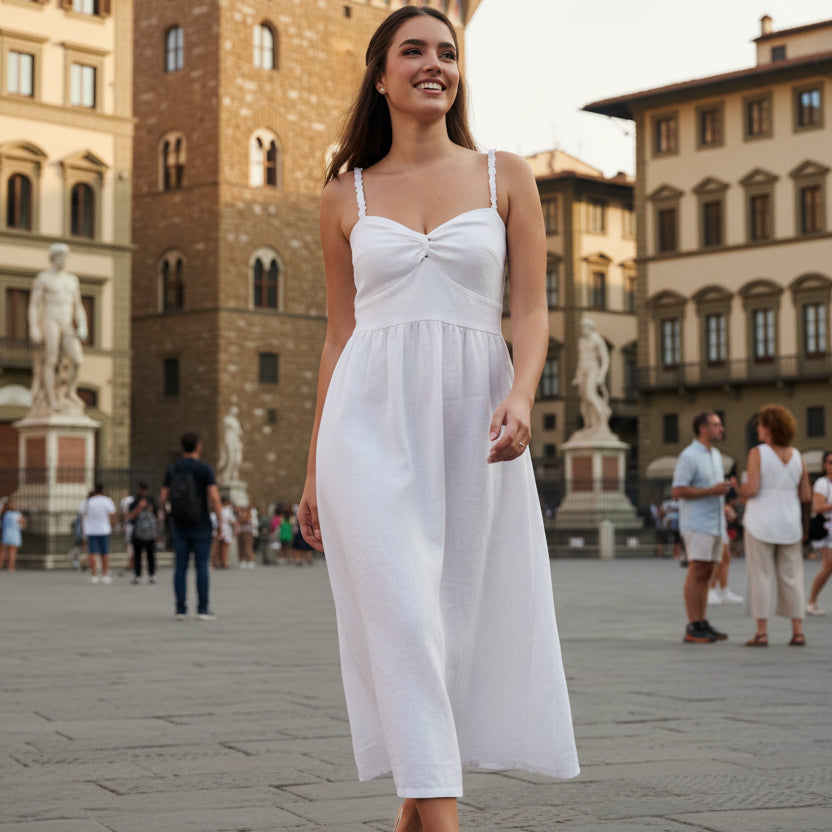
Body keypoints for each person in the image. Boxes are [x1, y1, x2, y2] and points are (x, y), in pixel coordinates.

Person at [296, 8, 579, 831]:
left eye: (447, 53)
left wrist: (521, 395)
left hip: (473, 422)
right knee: (407, 621)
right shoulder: (341, 194)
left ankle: (415, 818)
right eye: (412, 51)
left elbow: (530, 312)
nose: (434, 64)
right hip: (365, 424)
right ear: (379, 75)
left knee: (451, 626)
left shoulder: (505, 176)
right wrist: (315, 467)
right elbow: (339, 334)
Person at [739, 405, 811, 646]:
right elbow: (805, 495)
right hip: (790, 523)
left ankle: (762, 632)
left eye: (760, 424)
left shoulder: (758, 453)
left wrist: (738, 488)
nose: (758, 429)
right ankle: (797, 630)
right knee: (793, 577)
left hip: (761, 521)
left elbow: (752, 489)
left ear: (769, 428)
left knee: (760, 576)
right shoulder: (797, 455)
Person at [671, 411, 735, 644]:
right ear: (702, 428)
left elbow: (712, 487)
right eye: (716, 425)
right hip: (697, 523)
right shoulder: (689, 456)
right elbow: (678, 491)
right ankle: (692, 624)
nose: (721, 428)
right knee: (697, 570)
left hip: (715, 522)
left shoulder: (715, 455)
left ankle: (701, 620)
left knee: (708, 572)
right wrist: (711, 491)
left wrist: (724, 491)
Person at [160, 431, 223, 621]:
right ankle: (203, 609)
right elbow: (214, 497)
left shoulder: (173, 469)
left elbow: (163, 497)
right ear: (198, 446)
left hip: (179, 524)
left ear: (182, 447)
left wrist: (168, 515)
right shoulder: (205, 469)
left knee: (180, 566)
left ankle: (180, 609)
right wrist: (220, 522)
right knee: (202, 566)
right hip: (201, 523)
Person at [28, 243, 88, 413]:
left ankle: (70, 392)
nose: (63, 260)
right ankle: (51, 399)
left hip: (67, 324)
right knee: (51, 360)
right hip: (50, 321)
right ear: (53, 258)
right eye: (60, 257)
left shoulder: (71, 280)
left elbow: (78, 305)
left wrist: (83, 325)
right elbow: (34, 305)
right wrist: (34, 328)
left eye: (65, 257)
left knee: (77, 360)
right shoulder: (44, 278)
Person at [571, 317, 611, 434]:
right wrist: (578, 376)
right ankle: (589, 426)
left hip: (593, 369)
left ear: (590, 327)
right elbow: (580, 360)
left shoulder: (597, 340)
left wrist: (601, 375)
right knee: (584, 400)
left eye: (584, 327)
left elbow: (605, 359)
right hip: (583, 370)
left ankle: (602, 421)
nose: (582, 329)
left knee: (590, 395)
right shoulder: (582, 341)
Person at [807, 450, 832, 615]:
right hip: (827, 530)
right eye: (830, 462)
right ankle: (811, 601)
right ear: (824, 465)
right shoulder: (823, 484)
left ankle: (812, 601)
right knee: (828, 566)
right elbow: (817, 507)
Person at [126, 482, 160, 585]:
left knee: (151, 554)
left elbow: (157, 517)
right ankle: (137, 575)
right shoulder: (135, 502)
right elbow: (130, 517)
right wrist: (139, 508)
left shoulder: (152, 501)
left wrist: (151, 510)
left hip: (149, 532)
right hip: (138, 533)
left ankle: (151, 574)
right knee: (137, 554)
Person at [84, 483, 116, 585]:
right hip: (104, 529)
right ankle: (105, 574)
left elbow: (83, 514)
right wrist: (108, 522)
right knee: (105, 553)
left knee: (92, 553)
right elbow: (112, 513)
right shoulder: (107, 501)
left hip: (91, 530)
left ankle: (94, 574)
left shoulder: (89, 501)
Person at [0, 498, 26, 572]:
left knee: (4, 551)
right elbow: (23, 524)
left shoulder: (5, 514)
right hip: (13, 533)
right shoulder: (17, 514)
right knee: (10, 551)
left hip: (7, 533)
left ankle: (5, 566)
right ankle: (10, 567)